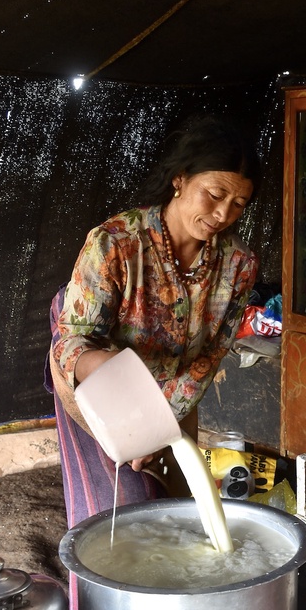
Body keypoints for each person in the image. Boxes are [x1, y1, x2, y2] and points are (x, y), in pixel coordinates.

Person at [48, 112, 259, 529]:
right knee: (118, 509)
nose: (222, 214)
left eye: (238, 204)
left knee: (178, 504)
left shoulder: (238, 264)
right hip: (95, 378)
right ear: (180, 179)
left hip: (173, 385)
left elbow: (210, 355)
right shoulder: (116, 243)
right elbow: (72, 344)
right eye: (214, 194)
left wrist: (159, 427)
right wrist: (120, 390)